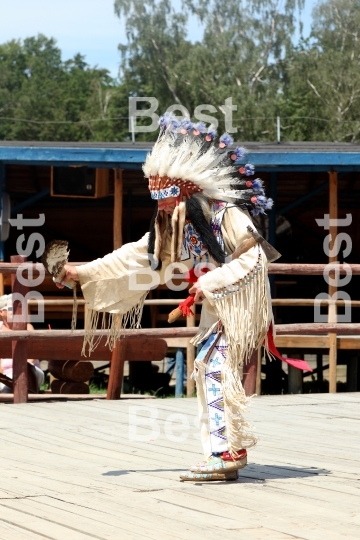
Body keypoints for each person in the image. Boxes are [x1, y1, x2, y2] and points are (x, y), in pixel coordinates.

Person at [57, 113, 273, 481]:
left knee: (212, 365)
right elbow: (139, 256)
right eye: (159, 203)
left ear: (188, 193)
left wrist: (212, 281)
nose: (164, 210)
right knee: (208, 366)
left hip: (238, 301)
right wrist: (82, 272)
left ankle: (224, 452)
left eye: (169, 203)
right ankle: (227, 450)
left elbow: (255, 259)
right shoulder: (177, 223)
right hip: (219, 303)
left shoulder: (227, 214)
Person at [0, 294, 44, 393]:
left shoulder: (27, 328)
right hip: (5, 375)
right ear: (1, 312)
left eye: (19, 308)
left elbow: (31, 358)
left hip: (30, 371)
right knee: (6, 386)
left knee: (13, 383)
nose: (17, 311)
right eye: (12, 308)